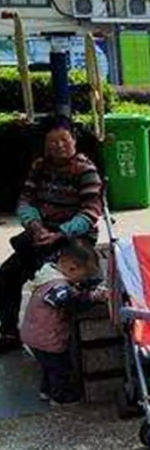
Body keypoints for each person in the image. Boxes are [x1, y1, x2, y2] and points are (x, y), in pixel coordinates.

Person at [1, 116, 103, 352]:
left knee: (52, 283)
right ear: (45, 144)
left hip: (74, 240)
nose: (59, 146)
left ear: (74, 140)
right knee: (7, 274)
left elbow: (90, 213)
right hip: (41, 234)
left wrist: (59, 234)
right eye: (53, 142)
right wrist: (35, 226)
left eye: (64, 140)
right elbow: (25, 201)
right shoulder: (40, 166)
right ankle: (8, 332)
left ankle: (60, 344)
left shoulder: (85, 170)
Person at [19, 236, 107, 406]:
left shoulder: (48, 274)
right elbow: (69, 302)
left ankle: (46, 390)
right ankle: (60, 396)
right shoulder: (56, 285)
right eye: (81, 276)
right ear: (72, 267)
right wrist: (92, 296)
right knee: (60, 368)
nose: (80, 281)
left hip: (34, 335)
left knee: (48, 366)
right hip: (47, 338)